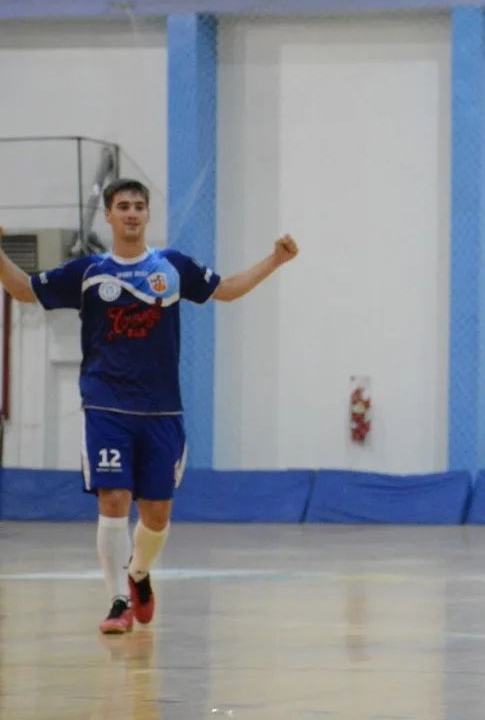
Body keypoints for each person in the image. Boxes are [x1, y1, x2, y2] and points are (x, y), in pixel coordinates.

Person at [0, 178, 299, 634]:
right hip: (105, 406)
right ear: (109, 215)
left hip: (162, 411)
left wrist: (275, 260)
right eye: (123, 206)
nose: (132, 213)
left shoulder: (172, 267)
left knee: (156, 513)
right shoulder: (89, 271)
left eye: (139, 206)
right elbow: (23, 289)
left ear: (147, 215)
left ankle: (138, 572)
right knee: (114, 498)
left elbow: (228, 289)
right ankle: (117, 601)